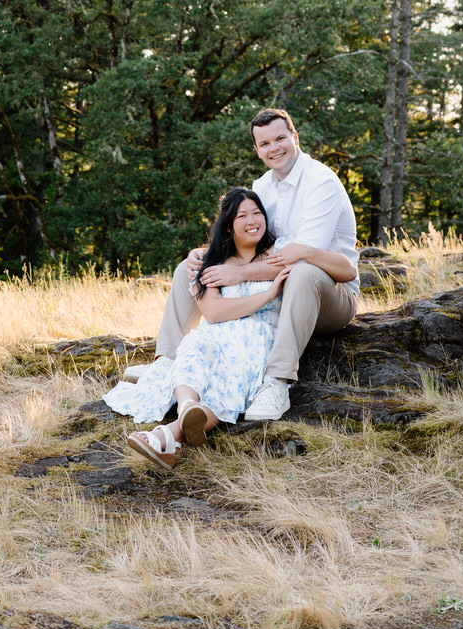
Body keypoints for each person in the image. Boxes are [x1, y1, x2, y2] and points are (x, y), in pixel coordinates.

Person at [124, 108, 360, 422]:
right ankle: (167, 361)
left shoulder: (320, 183)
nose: (274, 148)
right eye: (264, 144)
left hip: (329, 294)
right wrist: (208, 254)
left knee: (303, 272)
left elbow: (299, 260)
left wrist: (240, 273)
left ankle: (277, 381)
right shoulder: (262, 186)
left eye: (280, 138)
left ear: (295, 137)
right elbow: (247, 237)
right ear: (257, 150)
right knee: (188, 269)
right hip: (277, 292)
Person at [104, 186, 356, 471]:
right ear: (227, 227)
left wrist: (307, 253)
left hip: (258, 341)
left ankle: (168, 434)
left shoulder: (282, 250)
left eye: (257, 213)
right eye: (242, 216)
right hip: (218, 335)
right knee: (195, 346)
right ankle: (185, 412)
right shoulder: (210, 262)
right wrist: (268, 294)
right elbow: (213, 312)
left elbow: (347, 270)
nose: (252, 221)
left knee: (228, 380)